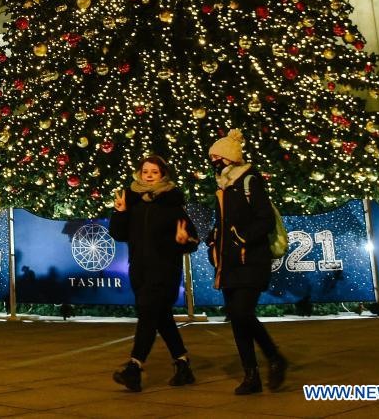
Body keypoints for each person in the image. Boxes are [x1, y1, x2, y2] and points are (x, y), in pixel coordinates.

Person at [109, 154, 199, 392]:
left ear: (163, 175)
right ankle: (183, 364)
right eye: (145, 171)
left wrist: (183, 240)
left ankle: (134, 367)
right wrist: (120, 212)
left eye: (154, 172)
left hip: (165, 270)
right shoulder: (133, 202)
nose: (149, 175)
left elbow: (192, 239)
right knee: (161, 318)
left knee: (148, 314)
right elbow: (118, 234)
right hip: (139, 270)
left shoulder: (172, 204)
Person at [207, 129, 288, 395]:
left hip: (251, 260)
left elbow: (263, 219)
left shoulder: (249, 181)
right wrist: (213, 237)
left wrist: (241, 237)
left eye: (217, 157)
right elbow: (224, 222)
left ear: (229, 158)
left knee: (242, 312)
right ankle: (250, 375)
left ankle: (274, 357)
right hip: (229, 263)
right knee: (238, 318)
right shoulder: (223, 187)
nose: (213, 162)